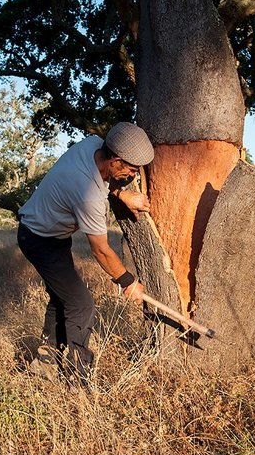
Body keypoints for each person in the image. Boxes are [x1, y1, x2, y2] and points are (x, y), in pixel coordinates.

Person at [16, 121, 154, 384]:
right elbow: (100, 251)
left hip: (50, 236)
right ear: (115, 162)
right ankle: (78, 379)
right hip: (39, 240)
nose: (133, 176)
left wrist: (122, 195)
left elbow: (104, 180)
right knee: (81, 304)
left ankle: (44, 364)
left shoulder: (93, 145)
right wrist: (129, 282)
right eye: (132, 171)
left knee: (62, 299)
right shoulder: (87, 194)